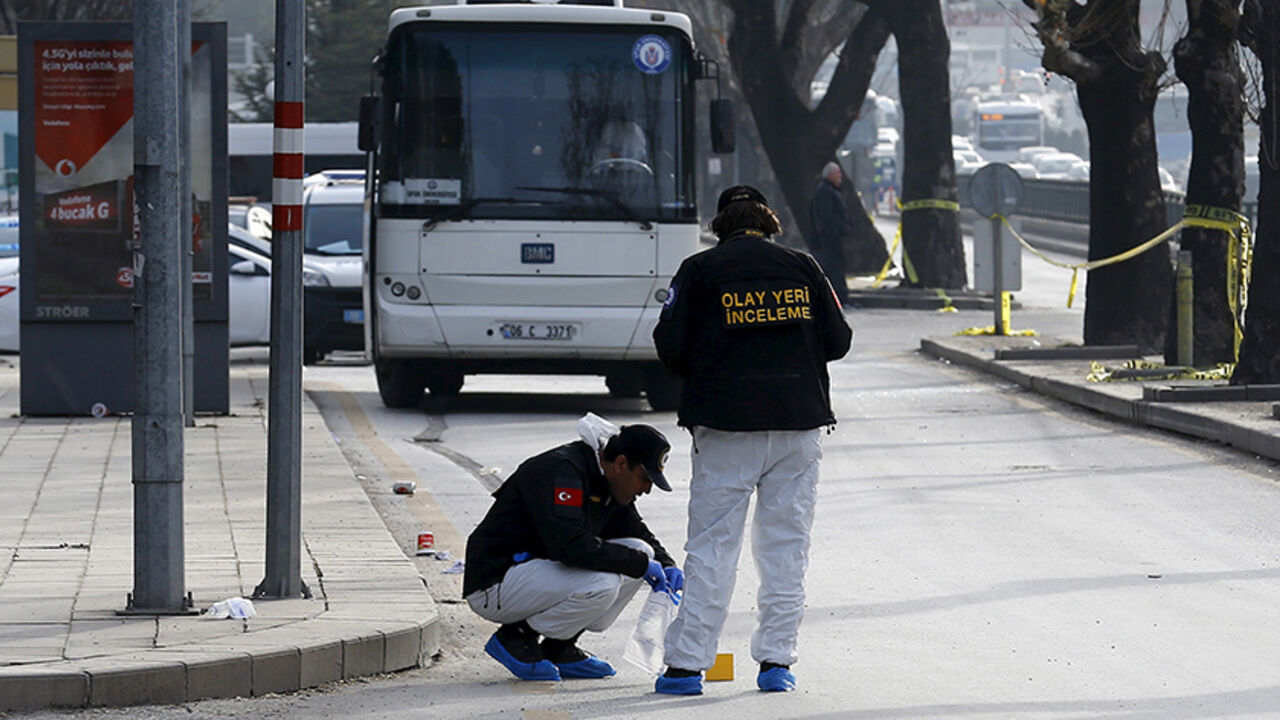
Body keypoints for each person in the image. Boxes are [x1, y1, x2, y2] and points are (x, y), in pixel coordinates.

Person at [651, 185, 853, 695]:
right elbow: (839, 340)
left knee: (713, 547)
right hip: (798, 427)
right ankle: (776, 663)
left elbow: (669, 347)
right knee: (786, 549)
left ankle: (685, 668)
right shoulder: (804, 268)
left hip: (725, 428)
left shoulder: (698, 271)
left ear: (721, 224)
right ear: (769, 221)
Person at [463, 413, 684, 682]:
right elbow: (569, 548)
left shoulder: (609, 479)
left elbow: (636, 532)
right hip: (495, 582)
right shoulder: (564, 472)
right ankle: (516, 636)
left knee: (642, 551)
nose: (647, 489)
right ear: (621, 464)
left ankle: (559, 648)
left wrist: (667, 564)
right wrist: (639, 565)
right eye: (644, 478)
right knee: (604, 582)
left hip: (533, 573)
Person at [807, 161, 853, 303]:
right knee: (834, 270)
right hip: (829, 242)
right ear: (831, 174)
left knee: (834, 269)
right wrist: (835, 233)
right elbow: (827, 218)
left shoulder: (828, 190)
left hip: (830, 240)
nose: (841, 177)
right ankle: (839, 299)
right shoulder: (825, 192)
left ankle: (839, 298)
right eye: (838, 173)